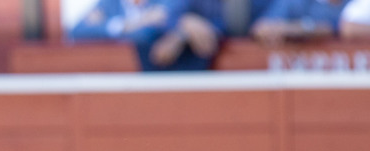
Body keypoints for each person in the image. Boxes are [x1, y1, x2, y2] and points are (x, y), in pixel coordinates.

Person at [68, 0, 225, 70]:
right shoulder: (111, 3)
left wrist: (107, 24)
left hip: (179, 73)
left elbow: (147, 34)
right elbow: (77, 31)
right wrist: (124, 25)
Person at [249, 0, 348, 44]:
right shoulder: (295, 2)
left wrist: (306, 29)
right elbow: (260, 28)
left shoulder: (355, 3)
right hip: (293, 70)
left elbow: (335, 28)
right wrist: (291, 30)